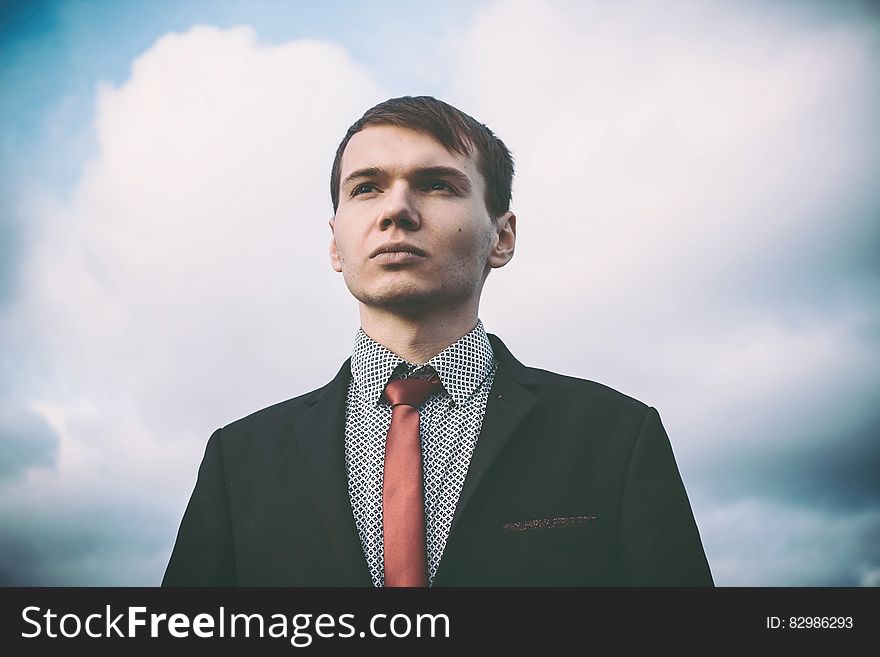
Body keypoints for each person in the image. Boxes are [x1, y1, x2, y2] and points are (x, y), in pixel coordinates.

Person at [163, 96, 713, 587]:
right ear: (335, 244)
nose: (395, 209)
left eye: (436, 184)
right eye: (365, 188)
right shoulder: (238, 461)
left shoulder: (615, 435)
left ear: (502, 237)